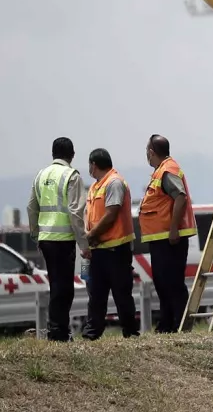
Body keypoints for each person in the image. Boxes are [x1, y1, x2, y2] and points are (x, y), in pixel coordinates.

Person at [26, 137, 89, 342]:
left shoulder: (40, 175)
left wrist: (36, 234)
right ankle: (59, 332)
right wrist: (83, 243)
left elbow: (31, 207)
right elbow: (75, 212)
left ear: (53, 154)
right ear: (72, 154)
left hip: (46, 239)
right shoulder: (72, 175)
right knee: (64, 288)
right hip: (63, 239)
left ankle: (56, 329)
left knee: (56, 285)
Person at [139, 134, 197, 333]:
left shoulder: (167, 170)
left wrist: (173, 229)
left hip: (169, 238)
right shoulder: (160, 171)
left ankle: (179, 324)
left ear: (151, 152)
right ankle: (167, 324)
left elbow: (180, 196)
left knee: (172, 283)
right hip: (159, 237)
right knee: (163, 283)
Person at [82, 149, 139, 339]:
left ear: (93, 164)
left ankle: (130, 333)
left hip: (116, 251)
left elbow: (111, 213)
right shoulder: (94, 187)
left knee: (122, 294)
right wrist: (89, 240)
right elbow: (90, 215)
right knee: (96, 296)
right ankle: (92, 334)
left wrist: (90, 235)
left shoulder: (114, 182)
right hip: (98, 250)